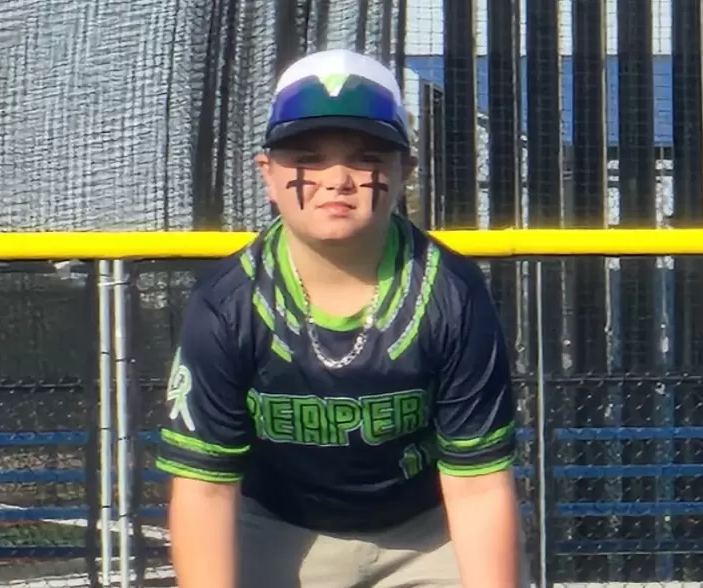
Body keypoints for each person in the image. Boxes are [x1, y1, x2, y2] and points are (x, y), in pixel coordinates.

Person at [157, 48, 528, 588]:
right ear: (267, 174)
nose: (338, 179)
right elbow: (205, 489)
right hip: (278, 529)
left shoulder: (451, 293)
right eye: (307, 158)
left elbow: (477, 486)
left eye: (367, 157)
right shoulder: (228, 303)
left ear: (405, 171)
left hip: (430, 534)